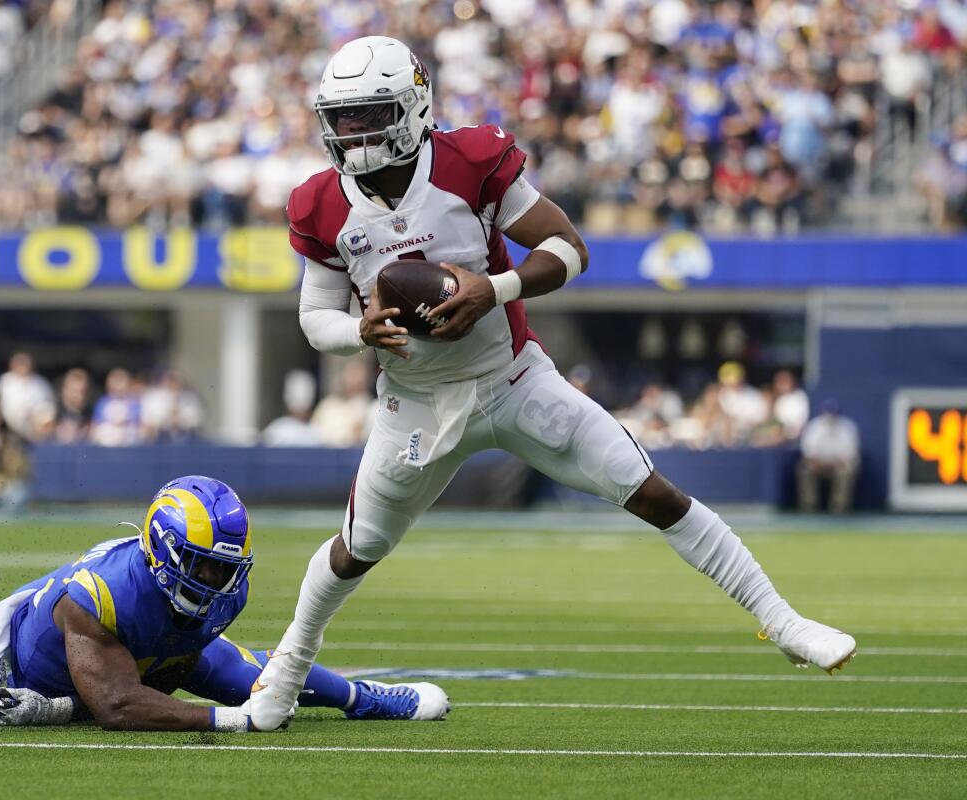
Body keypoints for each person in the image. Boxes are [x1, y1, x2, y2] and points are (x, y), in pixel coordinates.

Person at [247, 36, 857, 732]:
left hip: (512, 380)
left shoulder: (469, 160)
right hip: (413, 403)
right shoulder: (320, 202)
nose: (353, 133)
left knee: (652, 491)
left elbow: (569, 247)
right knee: (355, 550)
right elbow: (314, 315)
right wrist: (357, 332)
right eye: (343, 117)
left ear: (414, 107)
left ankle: (782, 622)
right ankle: (290, 665)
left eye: (371, 114)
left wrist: (494, 288)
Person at [0, 476, 448, 731]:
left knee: (267, 681)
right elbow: (117, 706)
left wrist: (256, 696)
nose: (217, 580)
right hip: (43, 658)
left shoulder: (225, 588)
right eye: (203, 565)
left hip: (153, 647)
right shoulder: (99, 597)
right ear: (165, 551)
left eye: (225, 566)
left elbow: (178, 674)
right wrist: (233, 720)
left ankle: (364, 698)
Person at [797, 400, 860, 514]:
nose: (830, 418)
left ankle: (839, 509)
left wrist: (833, 464)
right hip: (818, 466)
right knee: (805, 469)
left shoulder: (847, 428)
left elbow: (849, 458)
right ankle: (809, 508)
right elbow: (808, 455)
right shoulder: (814, 426)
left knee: (846, 471)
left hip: (838, 466)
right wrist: (819, 464)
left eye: (833, 414)